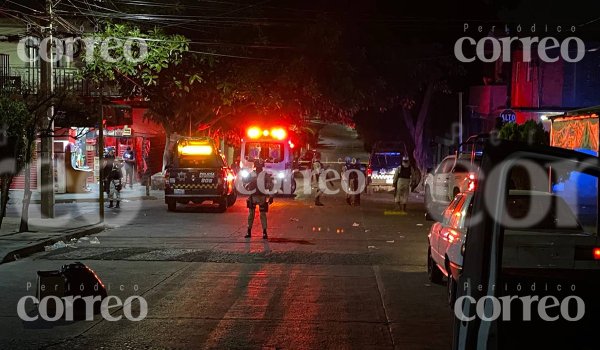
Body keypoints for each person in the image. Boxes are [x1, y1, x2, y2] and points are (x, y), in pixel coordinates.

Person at [244, 160, 274, 239]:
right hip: (253, 196)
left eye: (260, 167)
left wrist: (271, 196)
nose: (259, 169)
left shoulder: (265, 175)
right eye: (258, 167)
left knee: (262, 215)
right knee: (251, 215)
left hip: (261, 197)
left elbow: (271, 185)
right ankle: (249, 231)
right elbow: (244, 182)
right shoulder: (252, 174)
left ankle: (264, 232)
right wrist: (247, 187)